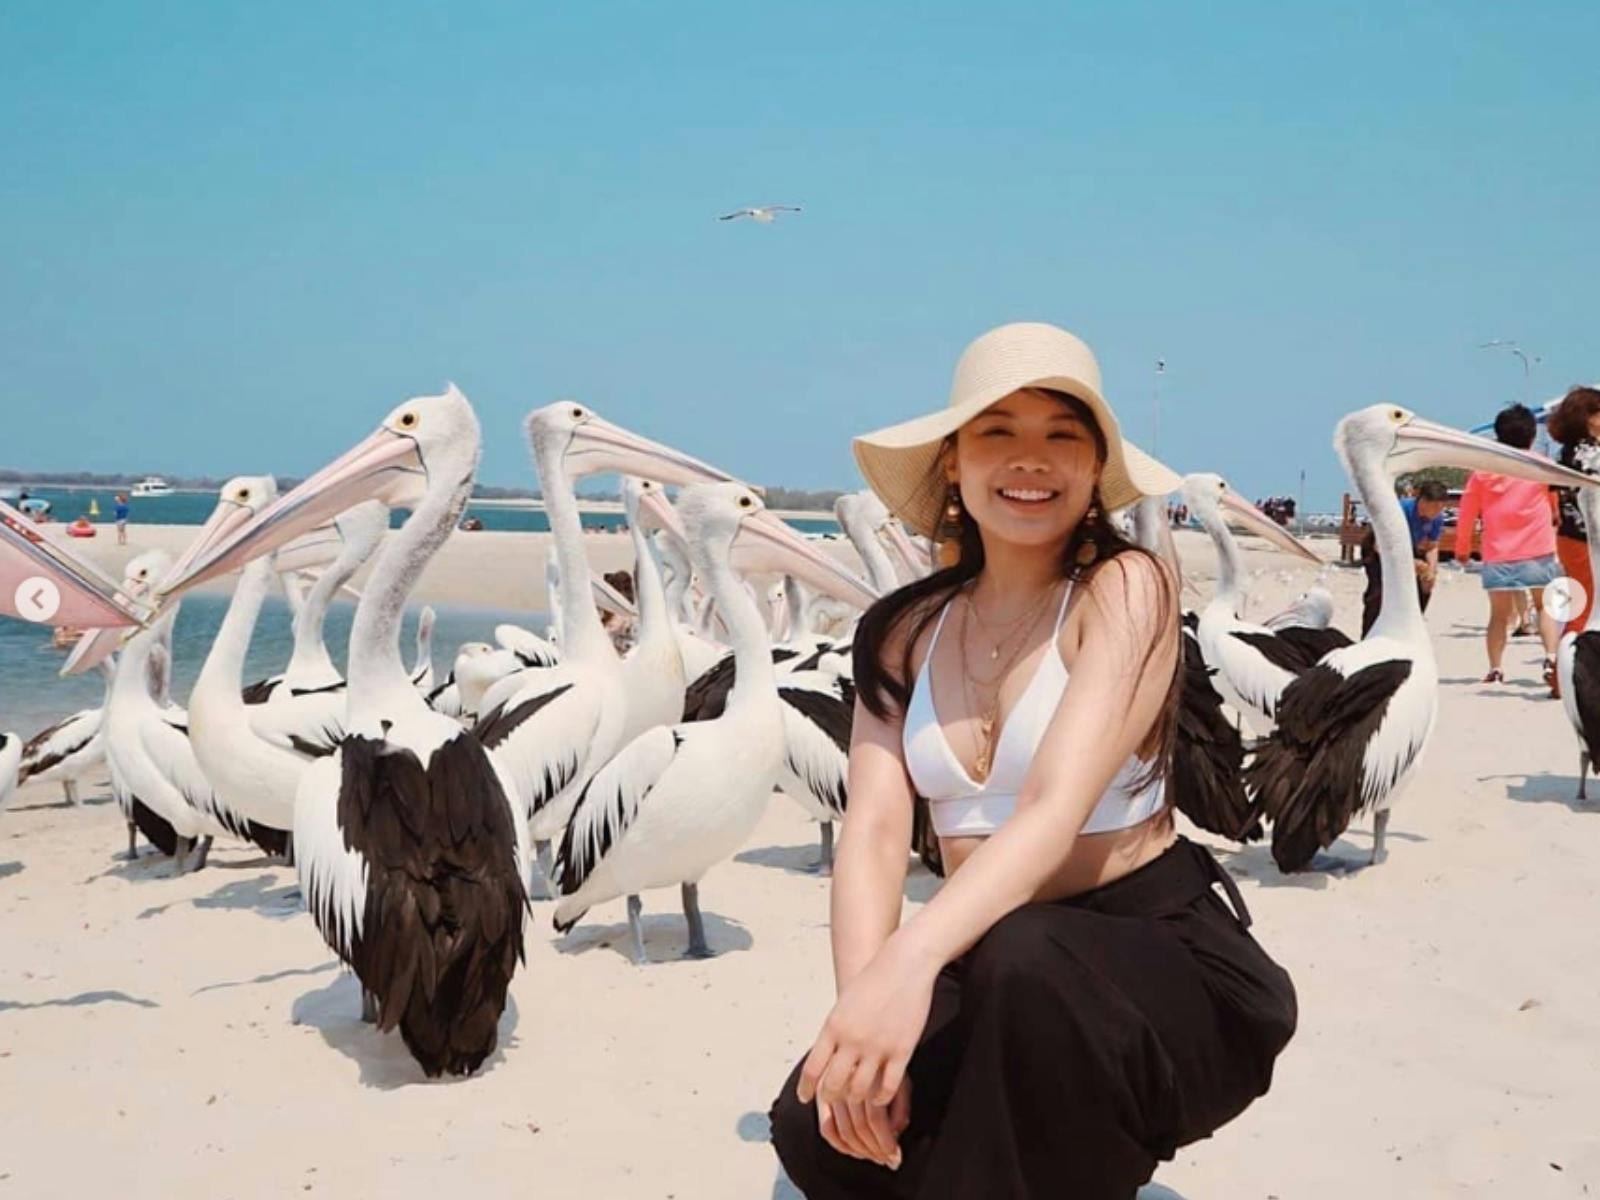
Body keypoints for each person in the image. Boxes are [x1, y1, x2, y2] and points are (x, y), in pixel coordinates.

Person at [768, 322, 1297, 1199]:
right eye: (997, 431)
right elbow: (873, 833)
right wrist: (865, 1011)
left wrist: (911, 962)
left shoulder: (1124, 588)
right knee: (820, 1128)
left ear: (1095, 467)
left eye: (1062, 435)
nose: (1030, 459)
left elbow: (1053, 811)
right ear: (954, 461)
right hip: (988, 955)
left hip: (1155, 958)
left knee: (1028, 959)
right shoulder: (901, 631)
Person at [1453, 404, 1562, 691]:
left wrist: (1463, 547)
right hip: (1538, 549)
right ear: (1532, 435)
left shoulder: (1484, 471)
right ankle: (1551, 658)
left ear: (1498, 435)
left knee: (1499, 615)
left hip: (1498, 552)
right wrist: (1555, 518)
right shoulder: (1540, 465)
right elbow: (1553, 502)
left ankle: (1496, 668)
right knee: (1544, 607)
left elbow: (1467, 511)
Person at [1360, 480, 1446, 636]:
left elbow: (1432, 546)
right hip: (1380, 547)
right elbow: (1380, 546)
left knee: (1423, 587)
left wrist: (1432, 570)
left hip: (1408, 547)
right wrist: (1410, 563)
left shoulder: (1437, 518)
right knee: (1378, 593)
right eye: (1435, 507)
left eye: (1441, 508)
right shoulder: (1398, 510)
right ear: (1423, 501)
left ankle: (1408, 632)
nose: (1438, 512)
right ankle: (1368, 636)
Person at [1547, 386, 1600, 635]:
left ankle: (1569, 652)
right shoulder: (1589, 452)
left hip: (1569, 537)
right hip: (1588, 539)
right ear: (1587, 417)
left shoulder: (1567, 451)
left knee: (1579, 604)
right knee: (1588, 608)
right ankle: (1575, 656)